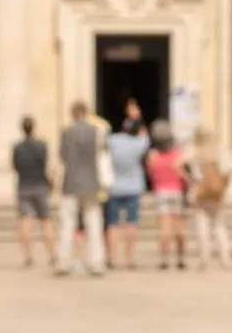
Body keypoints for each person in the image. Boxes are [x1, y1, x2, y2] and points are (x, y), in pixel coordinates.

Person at [56, 101, 106, 276]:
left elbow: (62, 156)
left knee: (67, 223)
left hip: (71, 182)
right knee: (94, 223)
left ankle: (63, 261)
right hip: (92, 182)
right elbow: (101, 155)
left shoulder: (67, 132)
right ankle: (96, 261)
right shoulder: (97, 132)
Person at [105, 111, 150, 269]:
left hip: (114, 187)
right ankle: (130, 258)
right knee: (132, 222)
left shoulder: (113, 140)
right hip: (133, 187)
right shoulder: (139, 143)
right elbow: (145, 135)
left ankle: (112, 258)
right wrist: (137, 117)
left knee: (112, 224)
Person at [11, 115, 54, 269]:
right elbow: (45, 165)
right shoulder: (42, 146)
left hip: (24, 186)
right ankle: (52, 255)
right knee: (46, 221)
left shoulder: (17, 147)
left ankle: (28, 256)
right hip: (40, 185)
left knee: (25, 222)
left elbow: (15, 166)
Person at [146, 118, 188, 269]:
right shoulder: (178, 155)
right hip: (176, 191)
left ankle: (164, 259)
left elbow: (150, 174)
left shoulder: (153, 156)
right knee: (179, 226)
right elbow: (184, 176)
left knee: (164, 227)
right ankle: (181, 258)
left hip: (161, 192)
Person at [190, 131, 232, 270]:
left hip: (201, 195)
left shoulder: (197, 156)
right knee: (220, 227)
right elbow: (227, 173)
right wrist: (222, 188)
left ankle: (204, 258)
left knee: (202, 226)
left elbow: (194, 176)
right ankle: (225, 259)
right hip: (217, 194)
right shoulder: (219, 154)